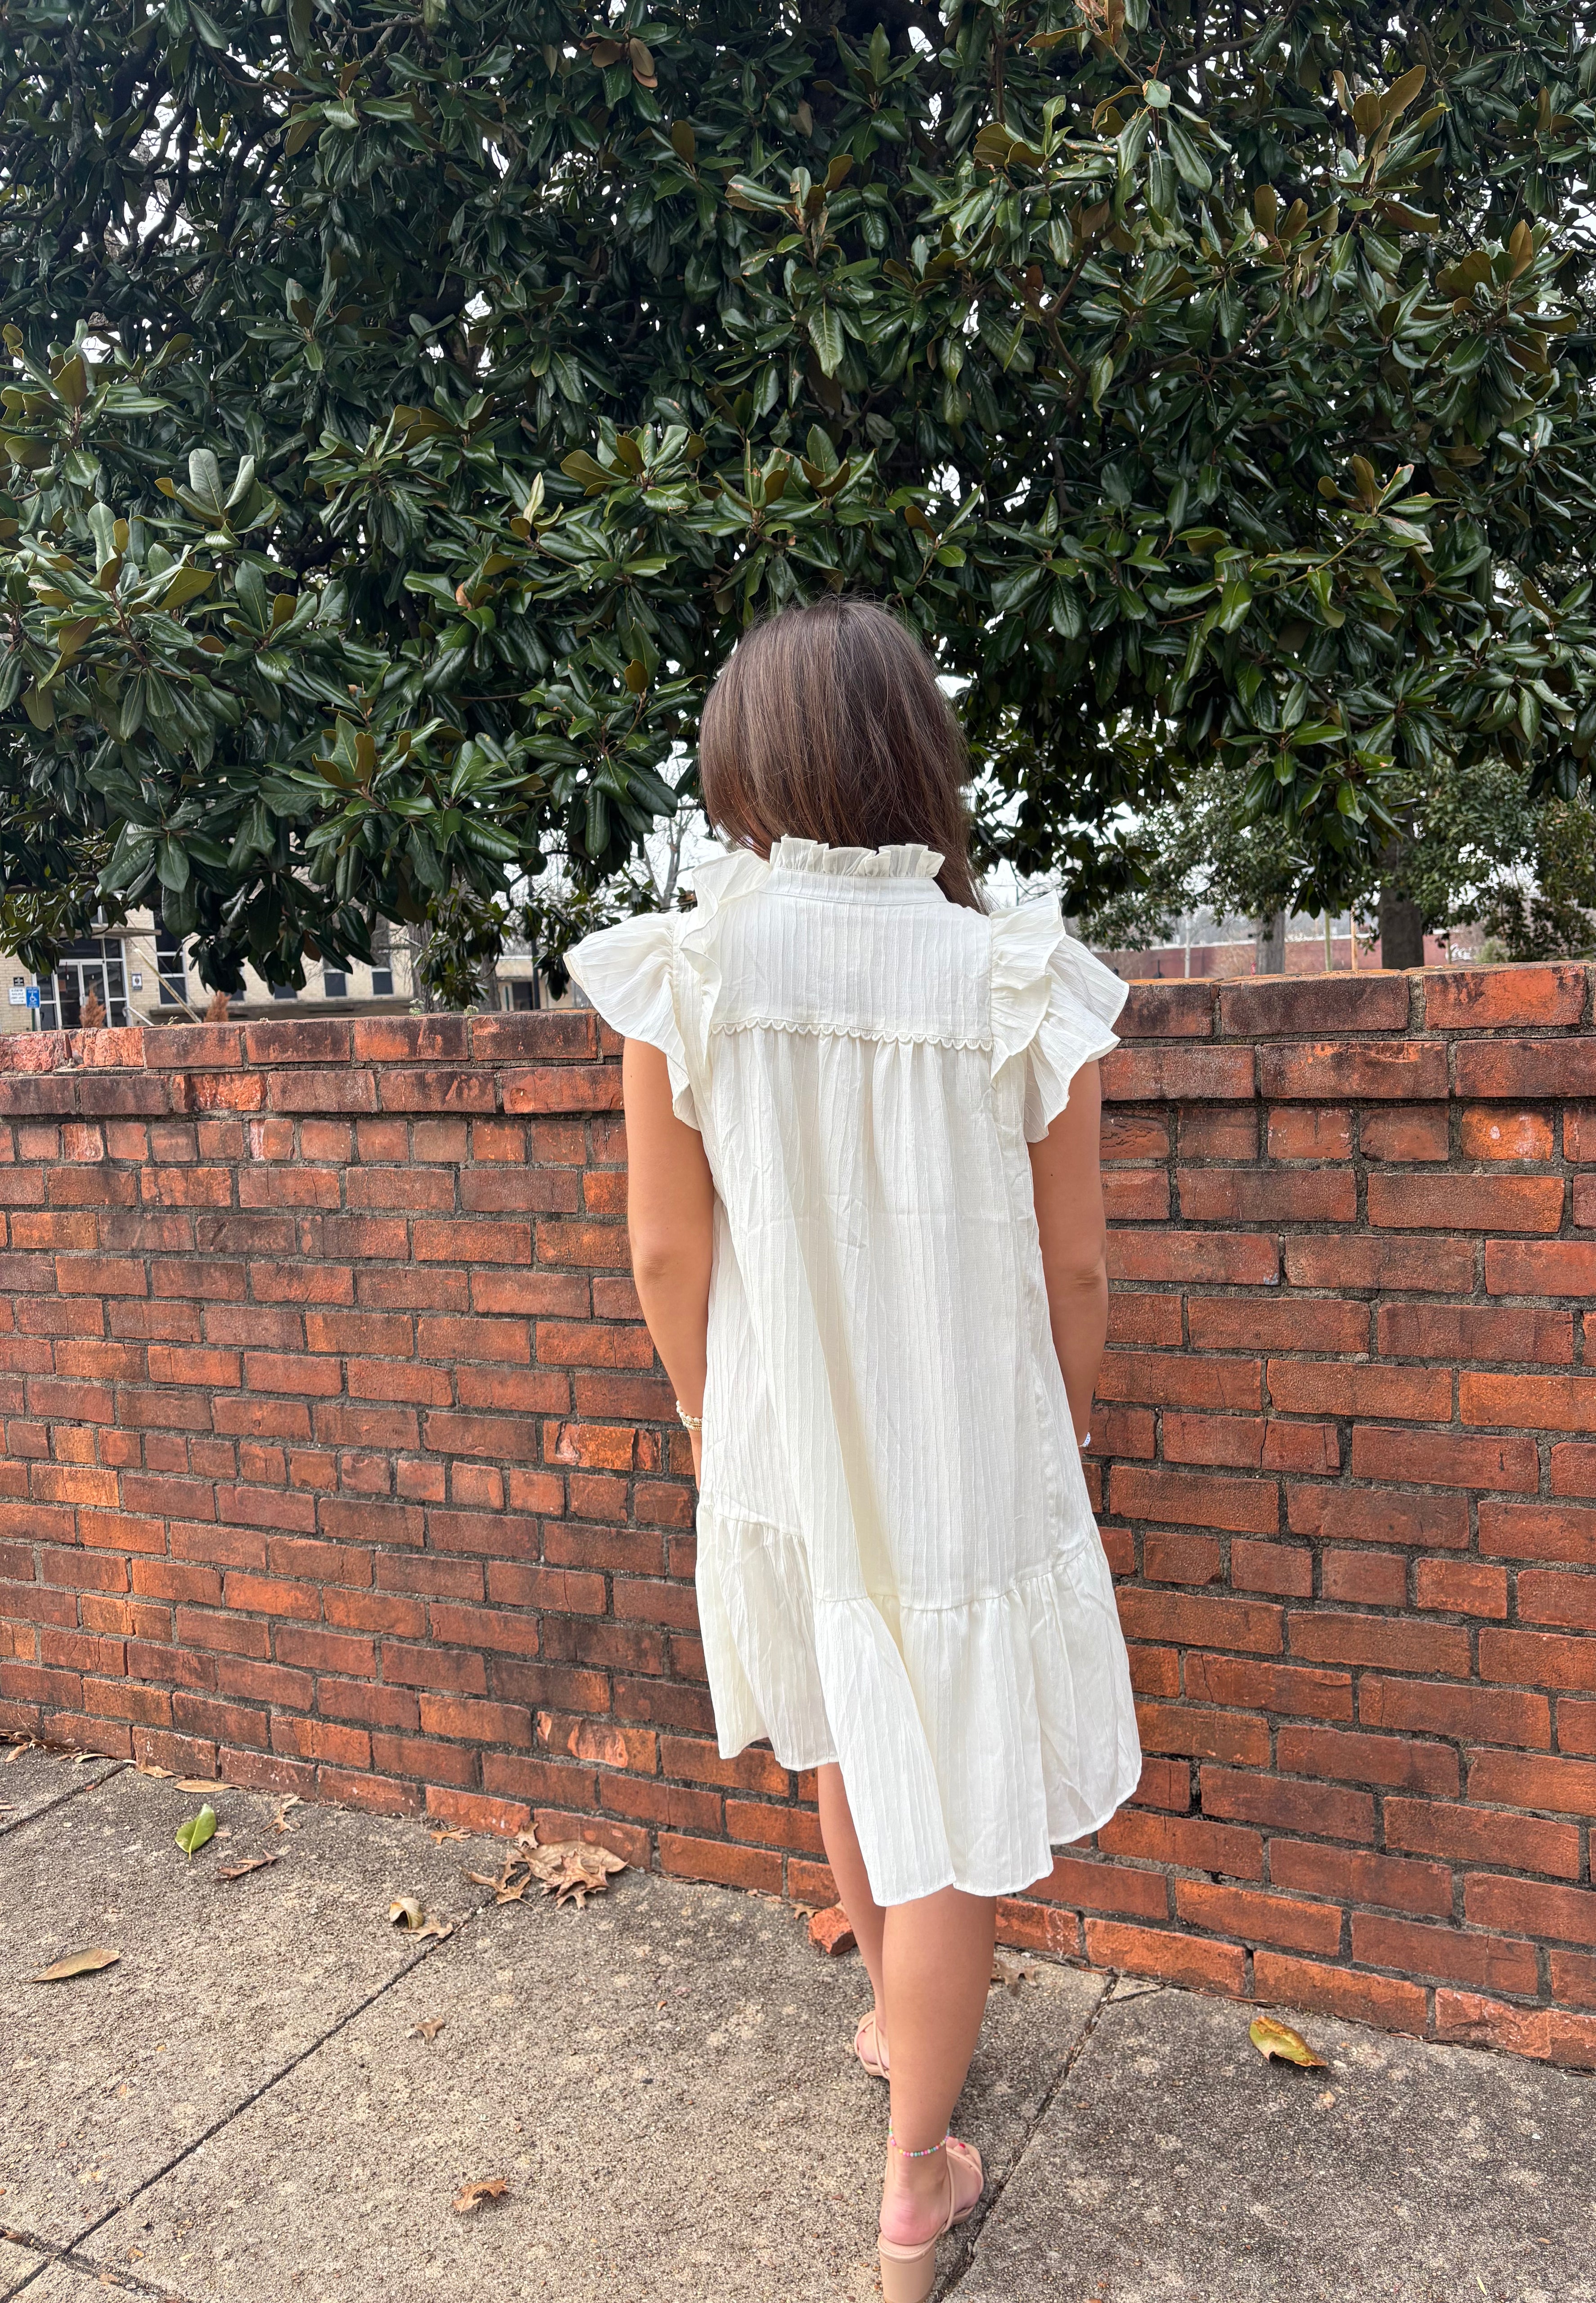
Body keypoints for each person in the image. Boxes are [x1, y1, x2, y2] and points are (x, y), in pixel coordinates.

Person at [570, 596, 1141, 2302]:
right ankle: (914, 2186)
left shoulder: (696, 971)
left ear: (747, 761)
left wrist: (702, 1409)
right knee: (954, 1791)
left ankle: (909, 2044)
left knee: (843, 1716)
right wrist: (1070, 1424)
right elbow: (1080, 1269)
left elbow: (668, 1257)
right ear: (921, 756)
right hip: (969, 1444)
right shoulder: (1013, 976)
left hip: (780, 1435)